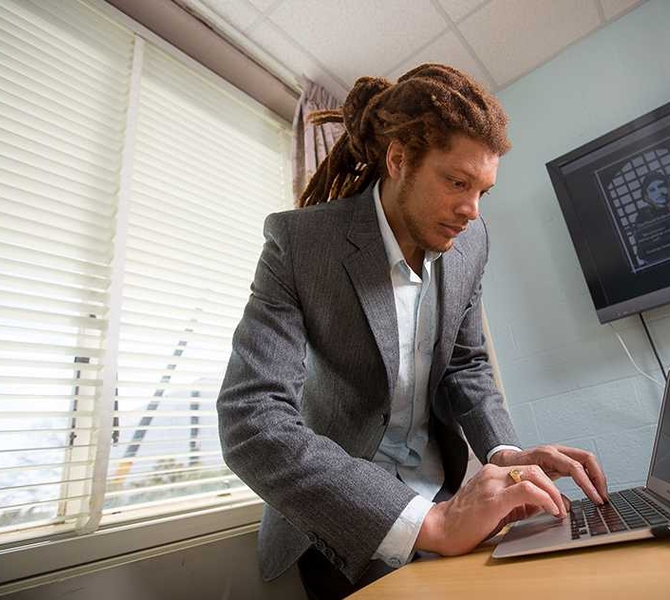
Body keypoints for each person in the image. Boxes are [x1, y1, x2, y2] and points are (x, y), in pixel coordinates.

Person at [217, 64, 609, 600]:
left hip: (443, 492)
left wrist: (504, 452)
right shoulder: (301, 243)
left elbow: (466, 363)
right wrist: (431, 527)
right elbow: (250, 419)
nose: (471, 210)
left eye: (483, 190)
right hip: (346, 513)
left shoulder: (470, 243)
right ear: (399, 161)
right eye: (456, 182)